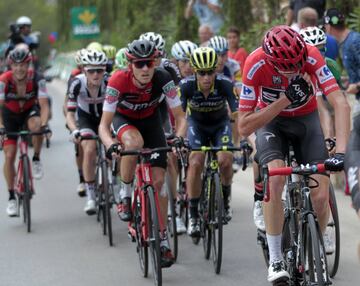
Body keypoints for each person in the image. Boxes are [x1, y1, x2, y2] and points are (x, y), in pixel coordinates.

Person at [238, 25, 350, 283]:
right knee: (276, 180)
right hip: (271, 124)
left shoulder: (312, 56)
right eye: (286, 67)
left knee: (321, 195)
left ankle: (317, 248)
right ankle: (276, 257)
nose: (294, 71)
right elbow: (244, 125)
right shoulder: (254, 64)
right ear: (271, 61)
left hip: (306, 123)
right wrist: (284, 100)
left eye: (297, 65)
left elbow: (340, 103)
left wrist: (341, 152)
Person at [99, 39, 179, 267]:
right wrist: (109, 144)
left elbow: (180, 117)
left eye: (149, 63)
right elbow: (104, 125)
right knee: (133, 143)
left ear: (155, 63)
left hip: (152, 123)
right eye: (140, 64)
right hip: (124, 121)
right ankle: (125, 194)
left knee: (159, 181)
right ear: (130, 65)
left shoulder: (164, 78)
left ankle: (162, 238)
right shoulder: (117, 80)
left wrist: (179, 137)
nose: (145, 69)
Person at [179, 47, 239, 236]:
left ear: (216, 71)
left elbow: (237, 114)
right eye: (202, 73)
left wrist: (238, 142)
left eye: (210, 72)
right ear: (195, 72)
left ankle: (226, 199)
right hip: (196, 125)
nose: (206, 78)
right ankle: (194, 214)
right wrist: (179, 140)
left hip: (220, 124)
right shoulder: (186, 86)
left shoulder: (225, 84)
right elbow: (180, 117)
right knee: (195, 162)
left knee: (226, 160)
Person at [0, 46, 50, 216]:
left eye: (23, 65)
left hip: (29, 112)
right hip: (9, 116)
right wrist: (1, 128)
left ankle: (36, 158)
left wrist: (44, 125)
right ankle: (11, 197)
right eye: (15, 65)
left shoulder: (37, 78)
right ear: (10, 66)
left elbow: (44, 106)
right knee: (9, 155)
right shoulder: (4, 80)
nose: (19, 69)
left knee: (37, 127)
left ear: (28, 65)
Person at [66, 49, 108, 214]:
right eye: (91, 71)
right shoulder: (77, 83)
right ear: (84, 70)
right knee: (89, 150)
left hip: (106, 117)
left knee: (115, 150)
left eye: (100, 70)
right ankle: (91, 196)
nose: (96, 75)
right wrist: (75, 130)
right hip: (86, 118)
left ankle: (118, 184)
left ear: (105, 70)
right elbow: (70, 113)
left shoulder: (110, 81)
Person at [63, 49, 87, 197]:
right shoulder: (74, 76)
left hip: (95, 110)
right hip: (78, 110)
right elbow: (67, 102)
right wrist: (70, 122)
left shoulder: (100, 74)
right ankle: (81, 179)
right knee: (80, 144)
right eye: (82, 66)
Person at [324, 8, 360, 99]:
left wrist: (357, 86)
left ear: (329, 26)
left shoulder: (354, 41)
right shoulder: (345, 42)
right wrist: (349, 80)